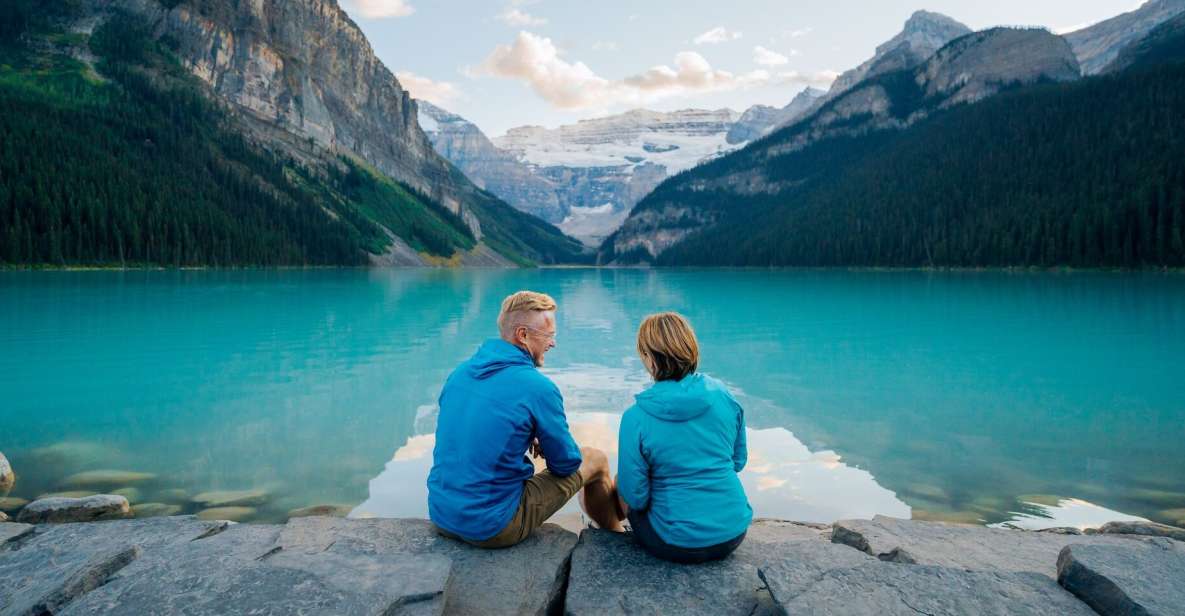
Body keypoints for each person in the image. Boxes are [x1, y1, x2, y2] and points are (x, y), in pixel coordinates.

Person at [428, 291, 623, 548]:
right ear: (523, 335)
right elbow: (565, 465)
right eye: (549, 335)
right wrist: (544, 438)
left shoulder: (459, 373)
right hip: (492, 527)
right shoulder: (538, 388)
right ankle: (618, 537)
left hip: (441, 515)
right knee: (595, 459)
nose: (553, 343)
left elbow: (473, 432)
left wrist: (528, 432)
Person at [616, 312, 752, 563]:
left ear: (648, 357)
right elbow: (737, 461)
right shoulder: (724, 395)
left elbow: (636, 497)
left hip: (675, 542)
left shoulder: (635, 417)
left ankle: (613, 536)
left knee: (621, 480)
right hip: (733, 534)